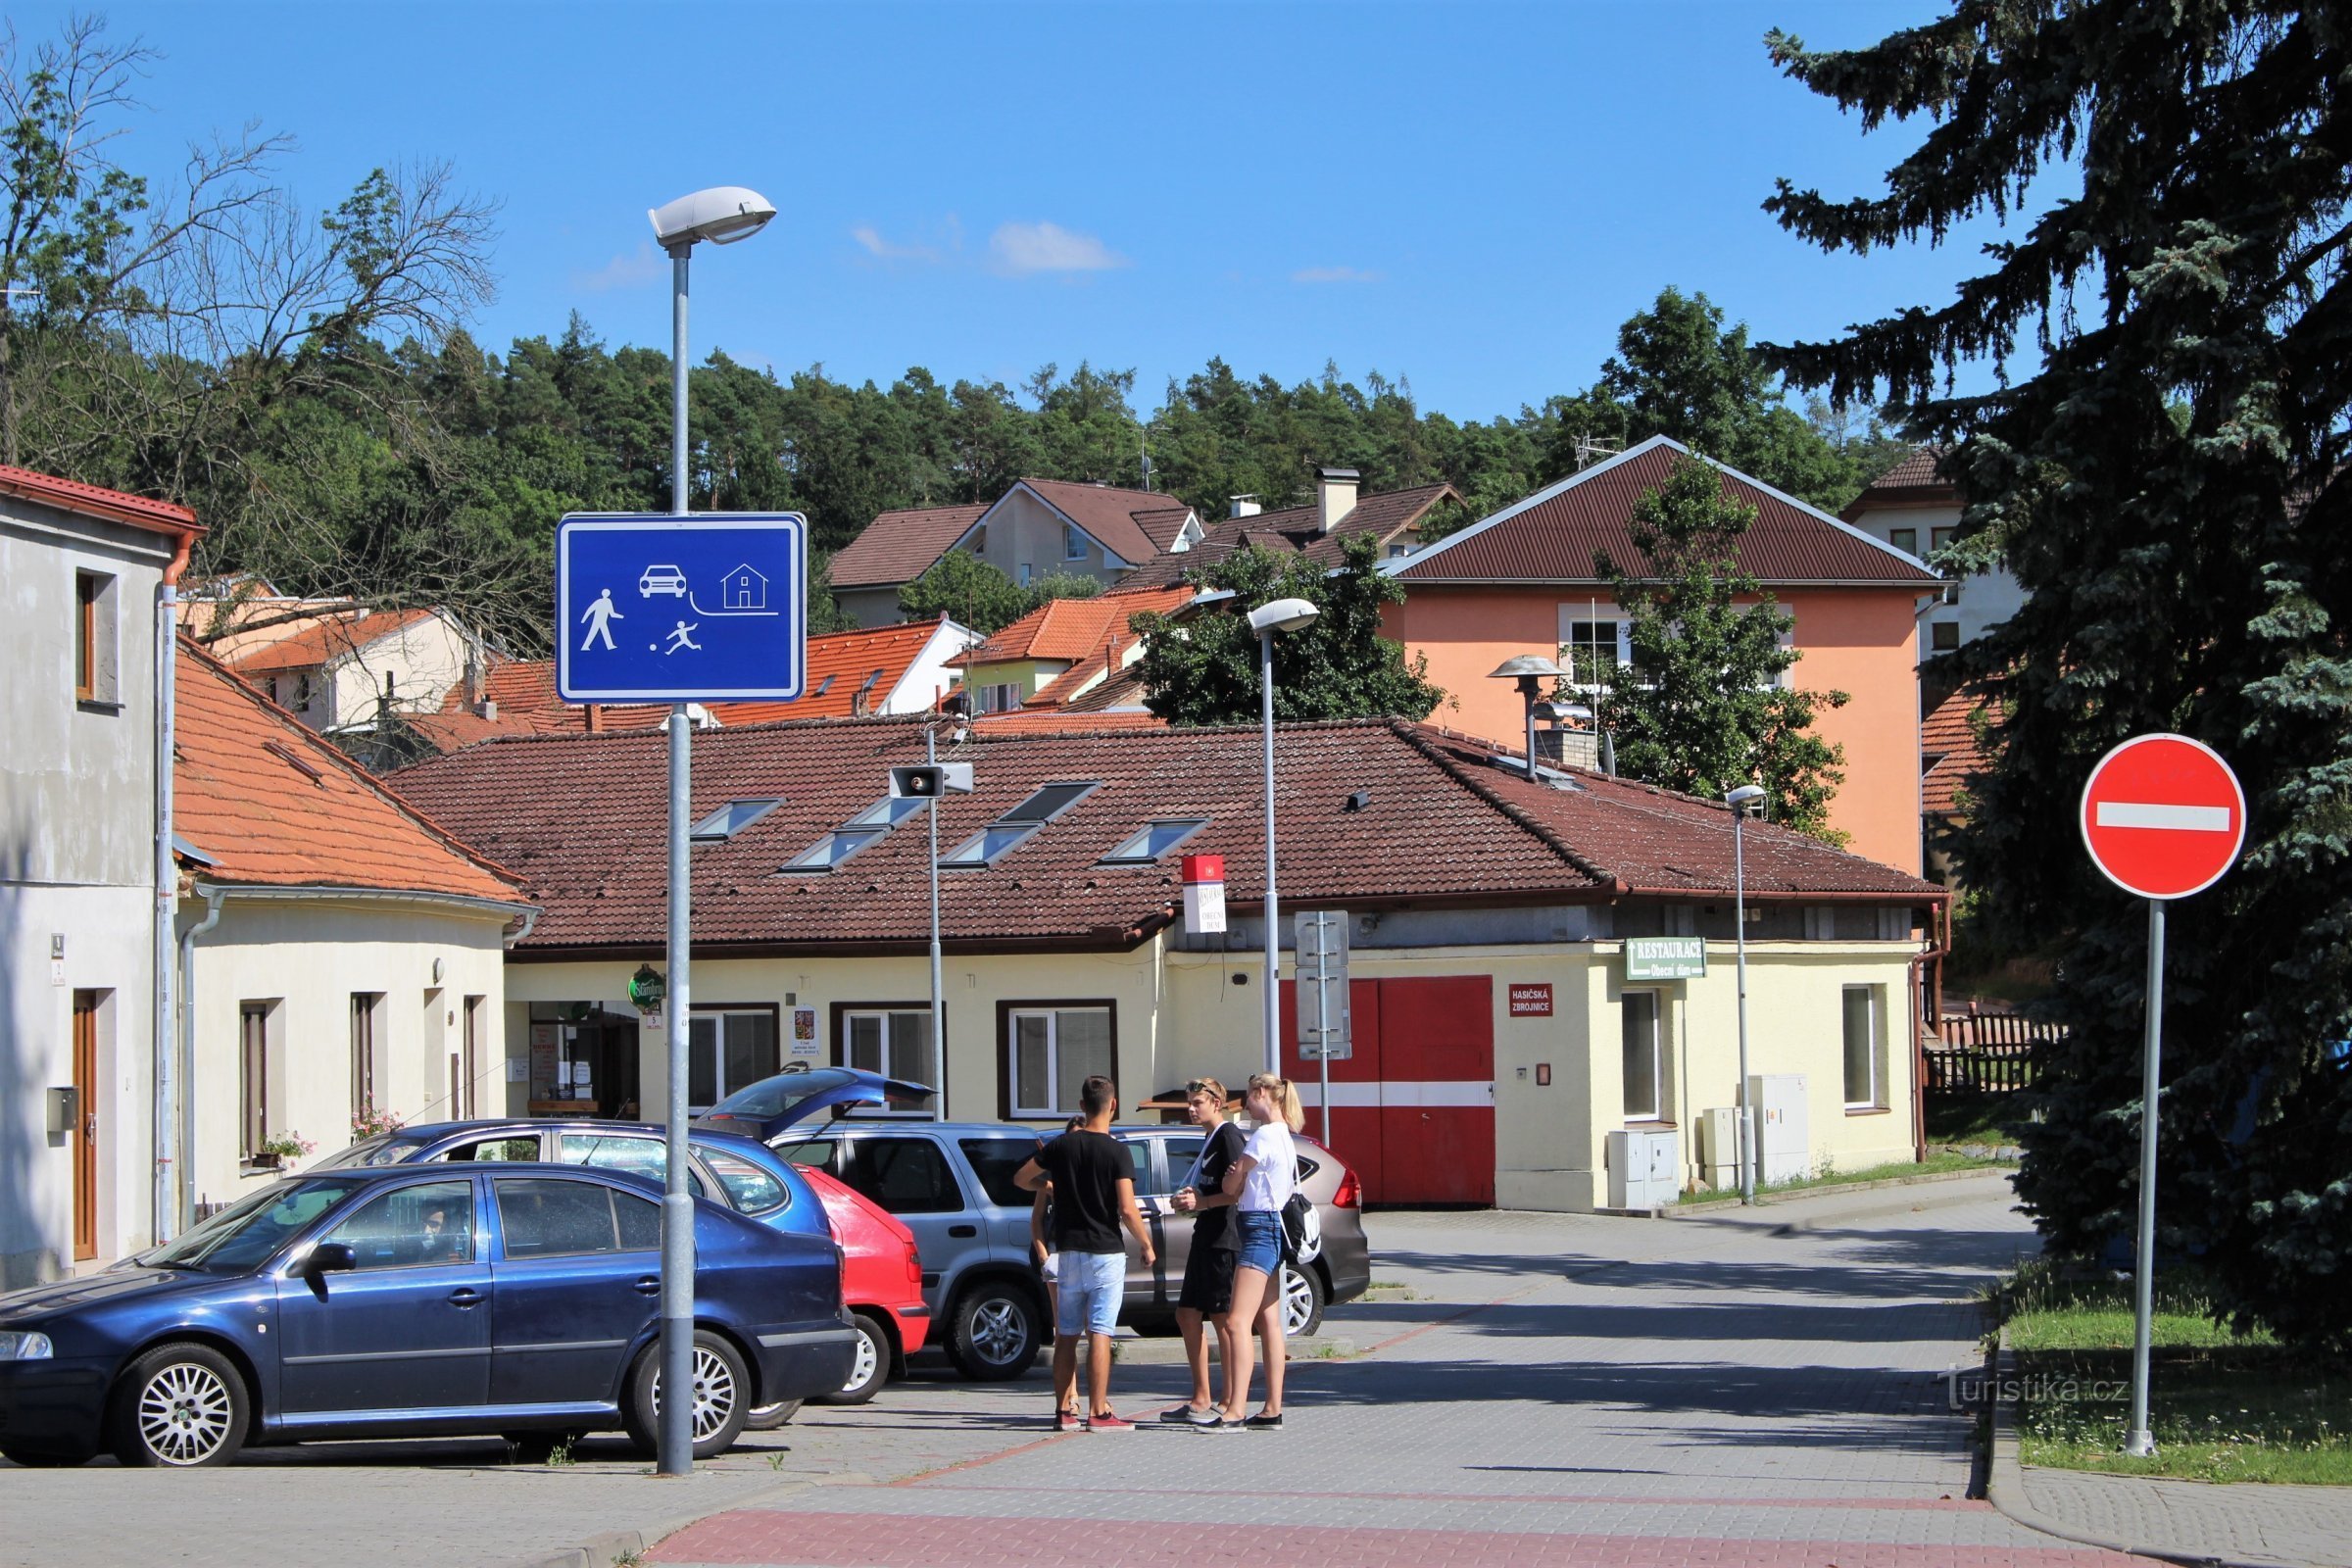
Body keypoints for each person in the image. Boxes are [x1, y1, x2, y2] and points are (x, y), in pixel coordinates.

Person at [1015, 1077, 1153, 1432]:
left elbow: (1019, 1178)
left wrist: (1047, 1185)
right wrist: (1146, 1244)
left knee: (1067, 1333)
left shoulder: (1061, 1145)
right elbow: (1126, 1207)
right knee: (1101, 1333)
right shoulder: (1117, 1151)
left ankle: (1064, 1411)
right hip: (1106, 1252)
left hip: (1069, 1251)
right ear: (1113, 1105)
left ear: (1081, 1106)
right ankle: (1099, 1412)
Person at [1213, 1073, 1303, 1432]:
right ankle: (1271, 1408)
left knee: (1237, 1322)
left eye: (1248, 1097)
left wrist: (1235, 1174)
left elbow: (1231, 1185)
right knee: (1269, 1323)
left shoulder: (1263, 1135)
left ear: (1261, 1093)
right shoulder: (1284, 1135)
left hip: (1259, 1229)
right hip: (1276, 1229)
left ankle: (1235, 1408)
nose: (1245, 1105)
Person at [1161, 1078, 1246, 1427]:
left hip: (1224, 1238)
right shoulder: (1210, 1139)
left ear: (1217, 1102)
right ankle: (1201, 1397)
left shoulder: (1229, 1137)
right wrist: (1188, 1201)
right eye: (1189, 1104)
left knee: (1223, 1320)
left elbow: (1240, 1190)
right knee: (1186, 1314)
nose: (1191, 1109)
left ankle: (1228, 1401)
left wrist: (1203, 1201)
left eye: (1197, 1103)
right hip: (1205, 1233)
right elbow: (1207, 1188)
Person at [1029, 1114, 1087, 1424]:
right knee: (1065, 1330)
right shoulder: (1051, 1177)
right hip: (1058, 1259)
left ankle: (1098, 1398)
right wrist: (1043, 1256)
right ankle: (1070, 1397)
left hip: (1088, 1258)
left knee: (1093, 1329)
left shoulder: (1091, 1174)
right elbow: (1036, 1220)